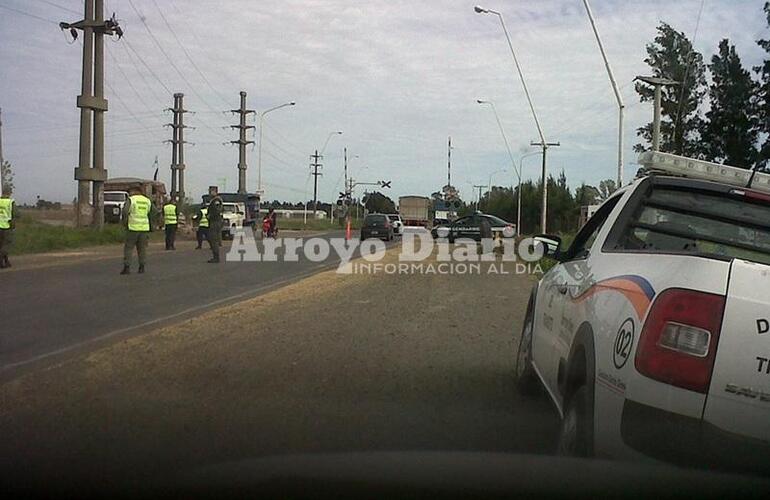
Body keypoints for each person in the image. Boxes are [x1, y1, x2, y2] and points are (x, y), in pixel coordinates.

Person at [121, 186, 156, 275]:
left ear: (135, 191)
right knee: (142, 249)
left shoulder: (131, 199)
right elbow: (154, 212)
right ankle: (142, 267)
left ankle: (127, 267)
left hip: (132, 227)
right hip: (144, 228)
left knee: (129, 248)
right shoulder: (147, 201)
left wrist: (125, 222)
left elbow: (125, 211)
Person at [0, 186, 18, 269]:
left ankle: (6, 261)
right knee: (6, 245)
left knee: (1, 245)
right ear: (9, 193)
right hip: (6, 226)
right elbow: (16, 214)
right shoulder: (11, 202)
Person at [206, 185, 224, 263]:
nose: (210, 193)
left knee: (213, 239)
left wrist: (210, 216)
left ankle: (216, 257)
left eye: (211, 191)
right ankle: (215, 256)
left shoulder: (216, 200)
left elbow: (217, 210)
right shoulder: (213, 200)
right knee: (211, 238)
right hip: (214, 221)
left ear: (215, 192)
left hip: (215, 221)